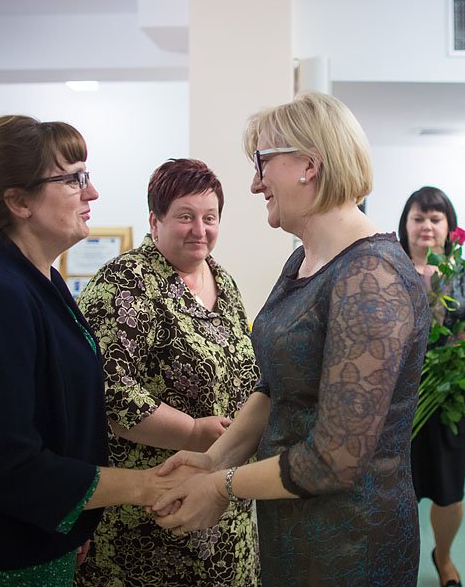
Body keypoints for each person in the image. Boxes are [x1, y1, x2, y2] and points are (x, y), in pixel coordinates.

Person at [150, 92, 431, 586]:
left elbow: (335, 458)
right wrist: (215, 458)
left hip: (350, 542)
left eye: (262, 163)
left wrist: (221, 486)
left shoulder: (372, 276)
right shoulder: (304, 260)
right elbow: (275, 385)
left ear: (309, 165)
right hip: (292, 524)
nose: (255, 183)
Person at [0, 115, 170, 586]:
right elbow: (9, 467)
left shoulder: (38, 276)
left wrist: (73, 518)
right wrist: (148, 485)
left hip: (39, 534)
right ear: (19, 201)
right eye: (73, 180)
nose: (92, 193)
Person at [73, 158, 259, 586]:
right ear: (154, 221)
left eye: (210, 218)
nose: (200, 230)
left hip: (225, 502)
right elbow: (111, 393)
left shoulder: (224, 281)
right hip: (150, 512)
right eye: (185, 216)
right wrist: (194, 432)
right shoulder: (127, 281)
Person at [398, 186, 465, 587]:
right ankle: (399, 561)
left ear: (450, 226)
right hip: (396, 399)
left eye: (435, 218)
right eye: (418, 218)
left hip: (453, 397)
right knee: (397, 489)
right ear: (405, 224)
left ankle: (443, 556)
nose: (426, 226)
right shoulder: (389, 268)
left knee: (449, 490)